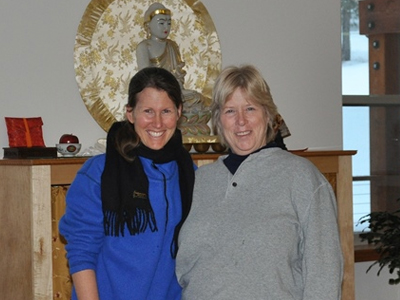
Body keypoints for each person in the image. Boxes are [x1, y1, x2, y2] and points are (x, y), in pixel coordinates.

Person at [175, 65, 343, 300]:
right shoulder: (199, 181)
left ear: (267, 114)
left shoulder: (303, 178)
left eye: (250, 108)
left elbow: (324, 275)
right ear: (218, 120)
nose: (241, 121)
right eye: (230, 111)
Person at [59, 67, 195, 300]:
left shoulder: (188, 172)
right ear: (130, 114)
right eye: (148, 111)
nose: (158, 122)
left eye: (166, 111)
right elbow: (82, 251)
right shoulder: (98, 172)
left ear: (179, 112)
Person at [136, 2, 212, 136]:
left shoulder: (172, 46)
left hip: (175, 93)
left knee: (196, 98)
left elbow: (177, 74)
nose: (166, 27)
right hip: (155, 96)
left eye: (169, 23)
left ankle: (177, 118)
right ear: (148, 25)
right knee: (154, 108)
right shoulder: (144, 47)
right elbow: (145, 78)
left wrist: (178, 90)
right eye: (161, 23)